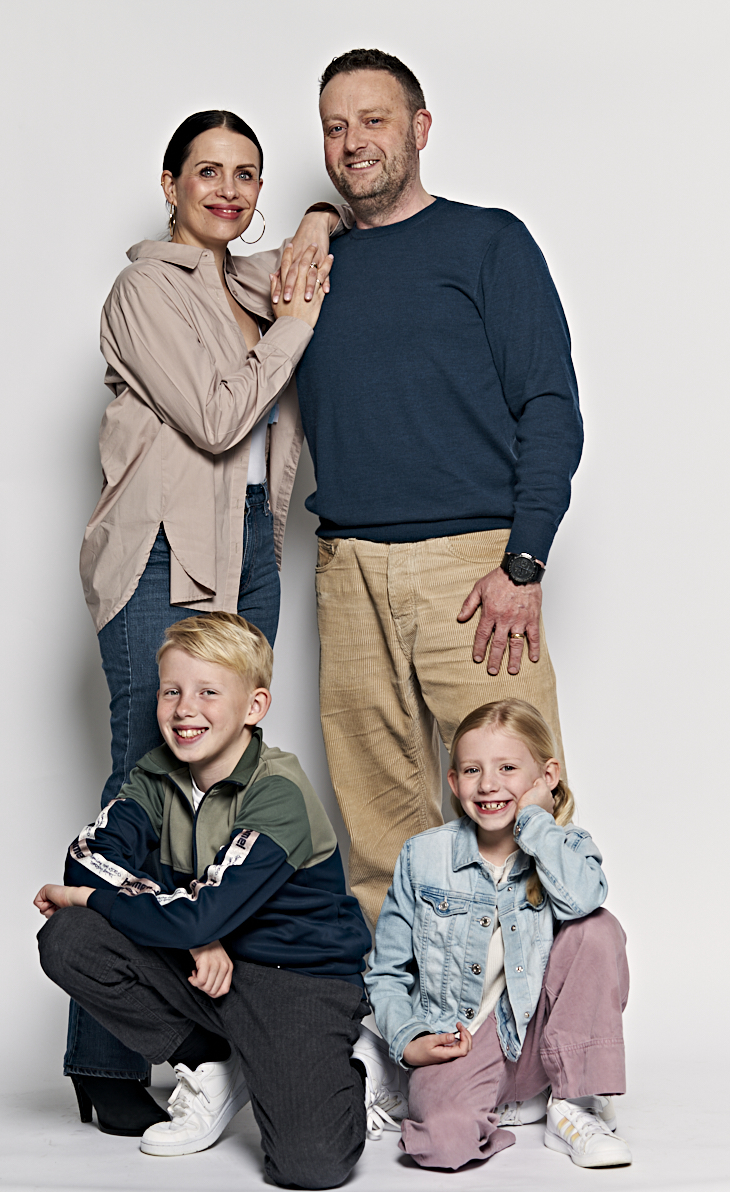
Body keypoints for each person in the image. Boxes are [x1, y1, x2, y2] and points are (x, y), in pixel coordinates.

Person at [69, 109, 335, 1130]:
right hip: (160, 558)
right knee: (143, 787)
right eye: (208, 171)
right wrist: (296, 326)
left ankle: (210, 1042)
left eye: (246, 174)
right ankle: (105, 1060)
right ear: (171, 182)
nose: (228, 190)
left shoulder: (250, 285)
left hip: (249, 552)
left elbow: (315, 251)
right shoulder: (145, 291)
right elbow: (222, 419)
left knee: (226, 787)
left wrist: (317, 217)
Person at [292, 49, 584, 928]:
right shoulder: (309, 270)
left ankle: (546, 1004)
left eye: (373, 120)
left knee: (521, 806)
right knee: (380, 829)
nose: (353, 142)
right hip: (348, 568)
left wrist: (524, 561)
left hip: (473, 568)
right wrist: (314, 220)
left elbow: (550, 405)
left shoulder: (489, 241)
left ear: (420, 129)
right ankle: (408, 1007)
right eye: (335, 127)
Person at [34, 613, 406, 1188]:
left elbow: (166, 905)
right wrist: (195, 935)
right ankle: (210, 1062)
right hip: (209, 967)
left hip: (295, 978)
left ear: (254, 707)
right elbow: (87, 858)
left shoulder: (278, 793)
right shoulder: (155, 778)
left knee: (310, 1165)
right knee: (69, 938)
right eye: (172, 691)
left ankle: (359, 1062)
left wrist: (169, 918)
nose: (185, 709)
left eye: (208, 692)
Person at [365, 698, 632, 1171]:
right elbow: (387, 971)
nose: (488, 784)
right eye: (472, 770)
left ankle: (572, 1101)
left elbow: (583, 901)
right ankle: (425, 1082)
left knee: (598, 928)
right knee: (442, 1145)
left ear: (546, 776)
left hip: (539, 1035)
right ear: (454, 781)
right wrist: (407, 1039)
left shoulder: (567, 846)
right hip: (464, 1037)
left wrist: (535, 823)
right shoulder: (424, 857)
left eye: (507, 767)